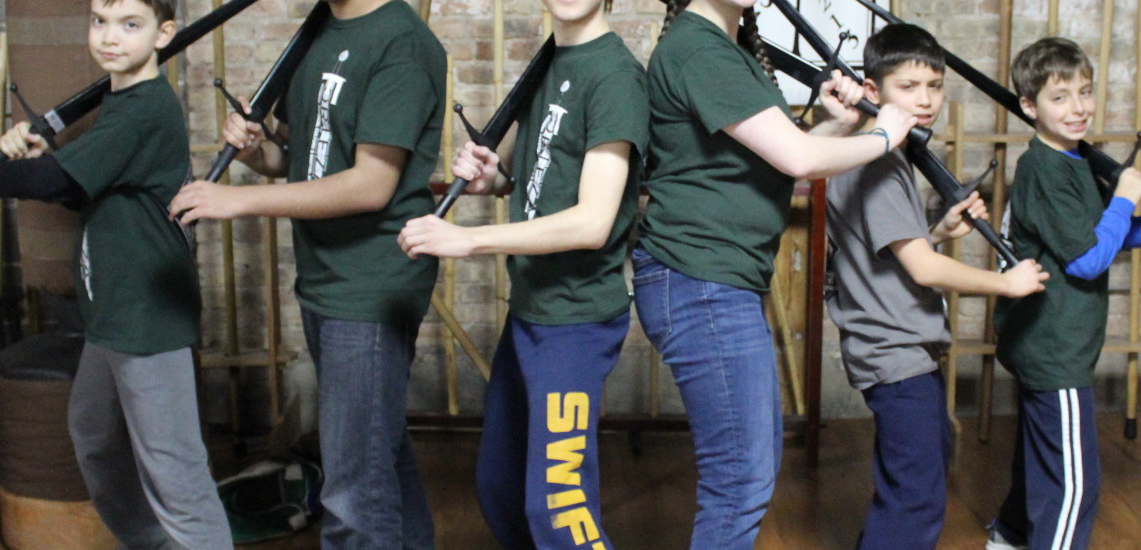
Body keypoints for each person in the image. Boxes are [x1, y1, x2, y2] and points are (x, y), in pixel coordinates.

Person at [0, 1, 231, 547]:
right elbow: (87, 188)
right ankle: (152, 544)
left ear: (164, 33)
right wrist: (43, 154)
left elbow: (55, 183)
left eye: (130, 25)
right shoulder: (121, 102)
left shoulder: (145, 109)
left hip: (146, 317)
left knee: (177, 477)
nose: (109, 37)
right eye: (100, 21)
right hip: (111, 312)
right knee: (95, 437)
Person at [165, 0, 446, 546]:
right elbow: (297, 159)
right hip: (324, 276)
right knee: (377, 454)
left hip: (369, 284)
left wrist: (238, 201)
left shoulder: (402, 43)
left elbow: (371, 185)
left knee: (353, 495)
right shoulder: (319, 28)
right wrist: (255, 152)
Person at [639, 0, 914, 546]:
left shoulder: (730, 47)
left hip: (720, 283)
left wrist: (836, 126)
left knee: (749, 473)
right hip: (700, 281)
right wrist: (884, 135)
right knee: (739, 483)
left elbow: (773, 160)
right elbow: (798, 160)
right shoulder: (696, 48)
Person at [394, 0, 645, 547]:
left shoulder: (614, 77)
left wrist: (468, 240)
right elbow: (537, 178)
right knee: (501, 487)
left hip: (574, 320)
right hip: (532, 309)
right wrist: (494, 178)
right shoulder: (551, 60)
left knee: (560, 508)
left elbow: (593, 222)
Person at [822, 23, 1050, 550]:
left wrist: (939, 231)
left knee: (919, 472)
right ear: (873, 91)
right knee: (915, 498)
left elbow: (890, 250)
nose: (925, 100)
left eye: (934, 86)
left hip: (900, 348)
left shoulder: (874, 153)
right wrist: (1006, 283)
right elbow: (923, 270)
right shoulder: (879, 163)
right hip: (894, 351)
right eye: (908, 87)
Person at [986, 36, 1141, 550]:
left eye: (1084, 92)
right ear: (1029, 107)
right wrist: (1125, 198)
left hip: (1052, 339)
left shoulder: (1075, 159)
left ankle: (1010, 535)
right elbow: (1087, 259)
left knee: (1043, 456)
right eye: (1059, 97)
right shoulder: (1045, 169)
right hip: (1053, 344)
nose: (1078, 108)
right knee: (1074, 484)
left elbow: (1102, 235)